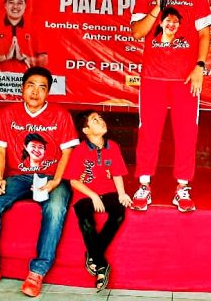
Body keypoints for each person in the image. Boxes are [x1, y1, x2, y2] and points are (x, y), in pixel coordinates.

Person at [0, 67, 78, 298]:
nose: (35, 92)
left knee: (56, 207)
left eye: (42, 87)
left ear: (48, 92)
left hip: (51, 176)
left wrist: (57, 181)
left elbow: (68, 152)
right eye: (31, 86)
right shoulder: (7, 114)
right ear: (22, 88)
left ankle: (37, 272)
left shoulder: (60, 115)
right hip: (18, 176)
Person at [129, 0, 211, 212]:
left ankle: (182, 187)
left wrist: (200, 66)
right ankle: (144, 185)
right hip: (153, 78)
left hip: (185, 79)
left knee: (186, 133)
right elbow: (138, 33)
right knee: (149, 132)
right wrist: (157, 6)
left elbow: (204, 34)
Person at [65, 111, 132, 292]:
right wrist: (93, 195)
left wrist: (122, 194)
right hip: (85, 193)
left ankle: (93, 255)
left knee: (119, 214)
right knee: (86, 221)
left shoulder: (113, 146)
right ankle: (102, 265)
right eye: (95, 120)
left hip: (108, 190)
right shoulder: (79, 150)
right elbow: (74, 181)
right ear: (86, 130)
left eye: (100, 118)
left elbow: (117, 173)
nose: (101, 121)